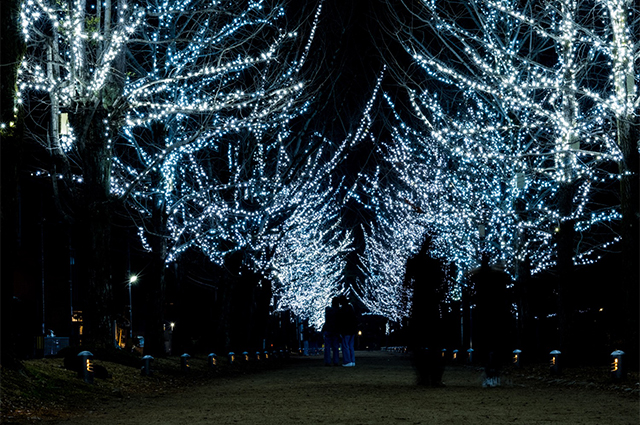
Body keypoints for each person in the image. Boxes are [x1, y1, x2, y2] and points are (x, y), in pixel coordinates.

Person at [338, 295, 358, 367]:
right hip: (352, 330)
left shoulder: (342, 309)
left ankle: (347, 361)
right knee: (350, 346)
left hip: (346, 330)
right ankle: (352, 361)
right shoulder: (350, 308)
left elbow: (341, 321)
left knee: (345, 346)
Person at [322, 297, 341, 366]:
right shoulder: (338, 311)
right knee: (335, 347)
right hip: (335, 330)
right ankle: (336, 361)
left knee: (327, 347)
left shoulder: (328, 310)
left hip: (328, 329)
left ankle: (328, 361)